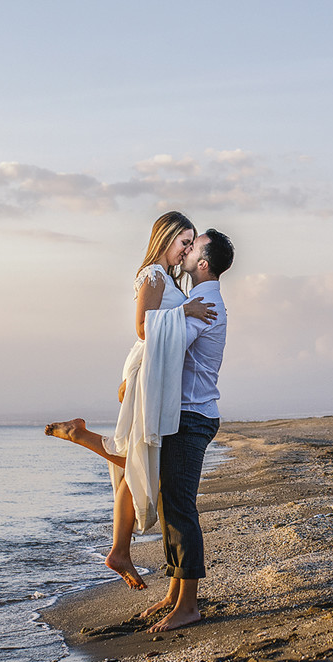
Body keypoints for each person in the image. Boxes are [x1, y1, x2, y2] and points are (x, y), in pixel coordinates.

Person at [45, 212, 216, 590]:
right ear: (165, 238)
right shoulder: (153, 275)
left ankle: (120, 549)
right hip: (147, 370)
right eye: (182, 242)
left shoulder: (166, 277)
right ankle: (83, 438)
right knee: (138, 452)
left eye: (191, 243)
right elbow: (142, 327)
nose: (186, 249)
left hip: (154, 370)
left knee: (139, 454)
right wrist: (185, 310)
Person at [139, 228, 233, 633]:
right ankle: (176, 591)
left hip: (192, 415)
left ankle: (189, 605)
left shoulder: (206, 300)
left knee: (179, 507)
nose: (187, 249)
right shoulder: (202, 298)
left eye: (193, 247)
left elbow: (172, 340)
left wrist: (169, 316)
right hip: (190, 412)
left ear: (203, 263)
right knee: (170, 504)